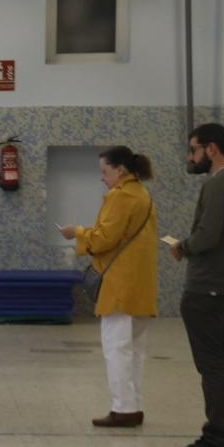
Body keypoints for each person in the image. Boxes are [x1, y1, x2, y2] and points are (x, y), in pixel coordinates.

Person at [60, 146, 158, 428]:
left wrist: (77, 232)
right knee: (135, 349)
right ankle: (134, 405)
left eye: (105, 171)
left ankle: (123, 409)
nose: (102, 178)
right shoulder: (143, 194)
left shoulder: (120, 196)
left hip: (120, 284)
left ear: (120, 170)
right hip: (141, 283)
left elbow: (104, 239)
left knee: (116, 348)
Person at [170, 122, 224, 447]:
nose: (190, 156)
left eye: (193, 149)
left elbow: (208, 236)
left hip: (207, 287)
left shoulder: (217, 185)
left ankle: (217, 436)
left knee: (212, 364)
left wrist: (183, 247)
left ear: (211, 149)